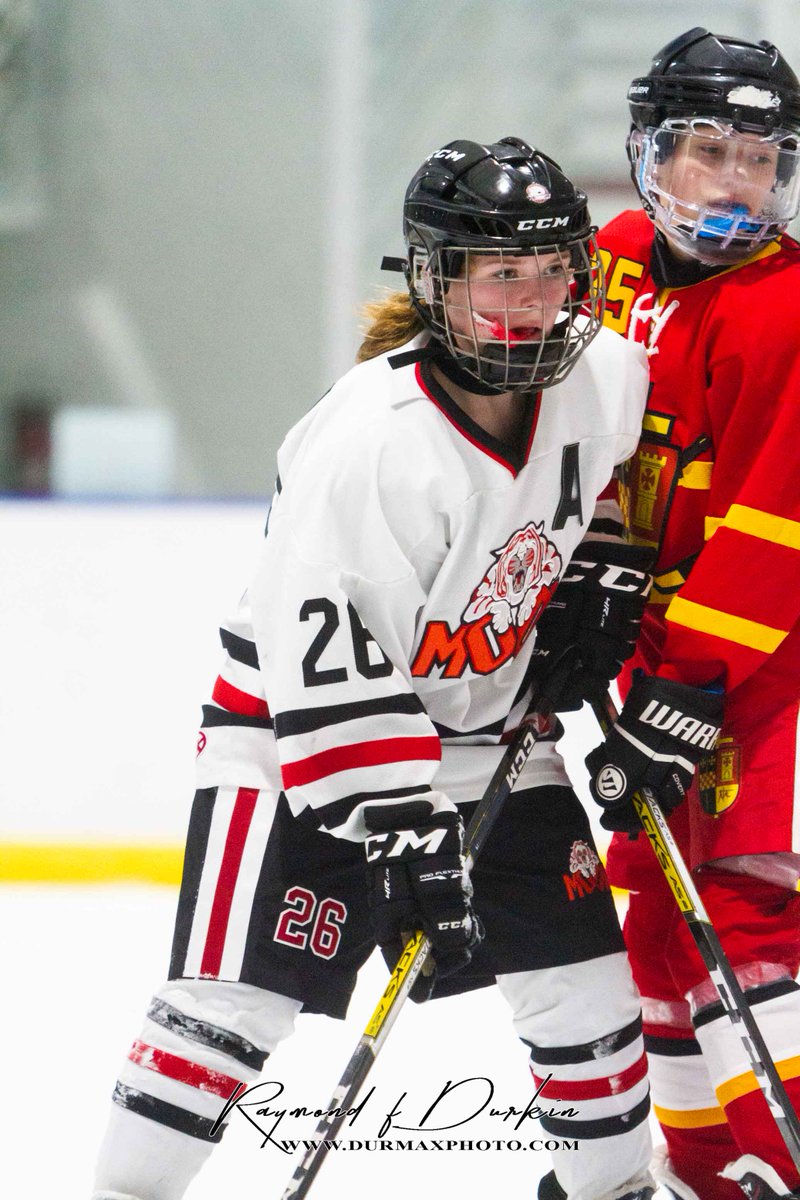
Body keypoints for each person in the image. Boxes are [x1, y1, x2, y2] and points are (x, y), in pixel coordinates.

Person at [91, 137, 655, 1200]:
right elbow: (315, 646)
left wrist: (599, 577)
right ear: (436, 280)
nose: (532, 300)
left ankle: (612, 1192)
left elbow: (602, 487)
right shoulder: (369, 438)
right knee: (227, 1012)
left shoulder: (606, 376)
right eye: (500, 274)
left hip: (488, 736)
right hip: (303, 750)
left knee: (585, 997)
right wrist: (404, 828)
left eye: (551, 270)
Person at [577, 27, 800, 1200]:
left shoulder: (783, 310)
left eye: (761, 158)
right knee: (658, 922)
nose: (735, 182)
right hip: (663, 653)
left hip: (765, 670)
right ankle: (707, 1175)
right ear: (645, 151)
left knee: (744, 914)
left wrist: (691, 678)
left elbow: (776, 530)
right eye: (707, 149)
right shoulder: (608, 259)